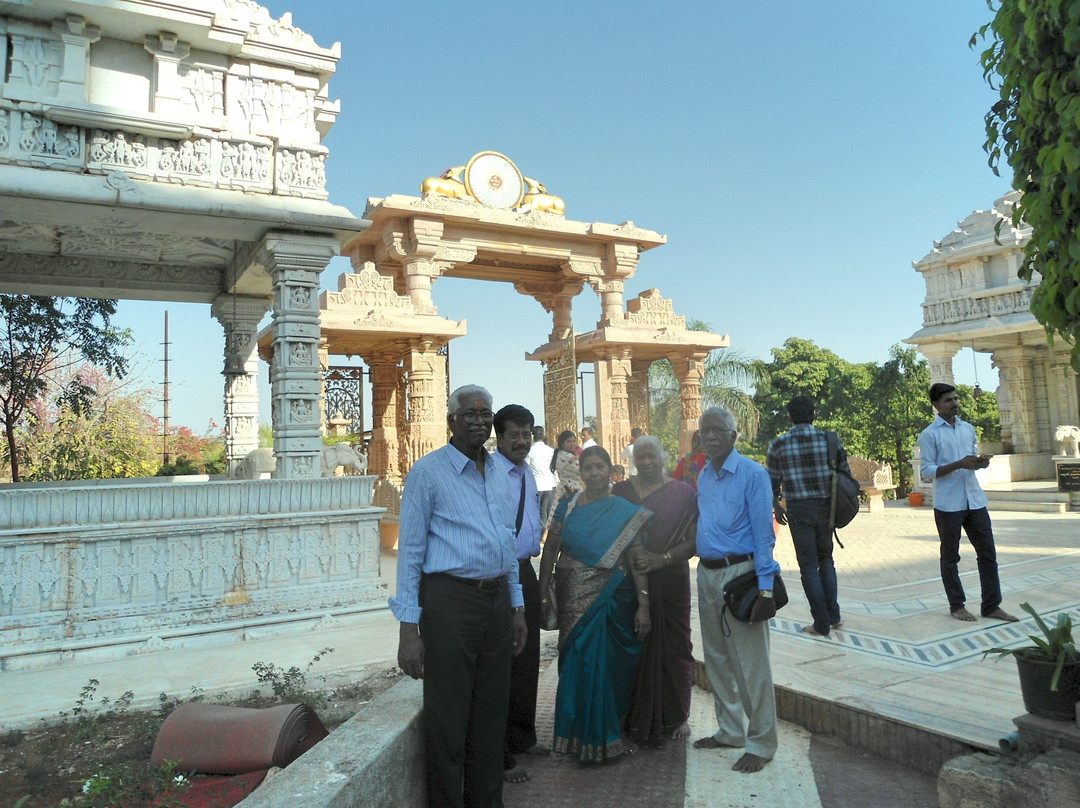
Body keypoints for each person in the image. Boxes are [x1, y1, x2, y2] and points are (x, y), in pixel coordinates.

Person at [390, 385, 528, 808]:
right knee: (448, 718)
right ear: (451, 420)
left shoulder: (499, 472)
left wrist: (517, 605)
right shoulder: (428, 473)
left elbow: (506, 543)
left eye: (485, 414)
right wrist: (409, 630)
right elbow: (410, 552)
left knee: (491, 715)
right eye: (469, 413)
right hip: (449, 603)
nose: (479, 420)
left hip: (496, 604)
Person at [537, 446, 653, 763]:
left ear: (611, 471)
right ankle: (572, 737)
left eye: (600, 467)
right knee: (575, 664)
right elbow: (550, 551)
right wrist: (543, 591)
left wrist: (644, 606)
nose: (595, 473)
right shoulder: (566, 507)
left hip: (613, 597)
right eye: (589, 468)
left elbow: (636, 559)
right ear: (581, 472)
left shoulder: (624, 511)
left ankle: (604, 737)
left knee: (608, 665)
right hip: (573, 598)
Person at [693, 407, 780, 774]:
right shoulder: (704, 475)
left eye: (718, 430)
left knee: (751, 664)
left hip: (740, 576)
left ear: (733, 435)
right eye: (705, 431)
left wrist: (765, 590)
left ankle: (761, 743)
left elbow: (764, 536)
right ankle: (730, 731)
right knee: (716, 658)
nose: (710, 436)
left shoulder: (752, 474)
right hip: (707, 574)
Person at [612, 435, 697, 748]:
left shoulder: (683, 493)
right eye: (641, 457)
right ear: (634, 460)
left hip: (671, 578)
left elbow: (693, 540)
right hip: (628, 581)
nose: (647, 462)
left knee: (675, 644)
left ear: (665, 456)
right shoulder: (620, 492)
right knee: (631, 644)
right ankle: (631, 714)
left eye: (653, 456)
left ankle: (676, 715)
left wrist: (661, 559)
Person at [917, 383, 1019, 624]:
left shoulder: (968, 429)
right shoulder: (930, 434)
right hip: (948, 504)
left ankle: (991, 605)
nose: (954, 403)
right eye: (948, 400)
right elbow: (927, 471)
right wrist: (959, 464)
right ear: (936, 405)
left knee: (988, 553)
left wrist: (980, 462)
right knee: (950, 556)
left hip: (974, 500)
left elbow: (970, 458)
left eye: (955, 399)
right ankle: (957, 605)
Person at [491, 405, 547, 784]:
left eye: (526, 433)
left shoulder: (526, 471)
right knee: (505, 664)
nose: (521, 440)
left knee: (528, 660)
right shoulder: (490, 473)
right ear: (499, 436)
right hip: (500, 577)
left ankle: (523, 737)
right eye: (514, 434)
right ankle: (501, 751)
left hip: (526, 571)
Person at [766, 395, 849, 638]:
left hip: (799, 509)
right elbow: (845, 474)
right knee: (827, 560)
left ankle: (820, 623)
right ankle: (833, 616)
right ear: (814, 414)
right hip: (826, 507)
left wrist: (777, 506)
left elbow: (771, 483)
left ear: (789, 416)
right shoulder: (829, 439)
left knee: (808, 567)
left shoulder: (778, 444)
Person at [525, 426, 557, 525]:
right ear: (543, 436)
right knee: (549, 511)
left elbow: (526, 468)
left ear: (533, 437)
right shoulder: (550, 451)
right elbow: (554, 468)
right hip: (550, 484)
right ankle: (547, 533)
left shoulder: (530, 451)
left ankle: (542, 533)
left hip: (537, 485)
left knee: (539, 511)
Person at [549, 429, 583, 512]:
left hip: (568, 491)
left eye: (574, 441)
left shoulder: (568, 454)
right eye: (569, 442)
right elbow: (583, 469)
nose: (572, 444)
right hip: (571, 492)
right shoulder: (566, 457)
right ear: (562, 444)